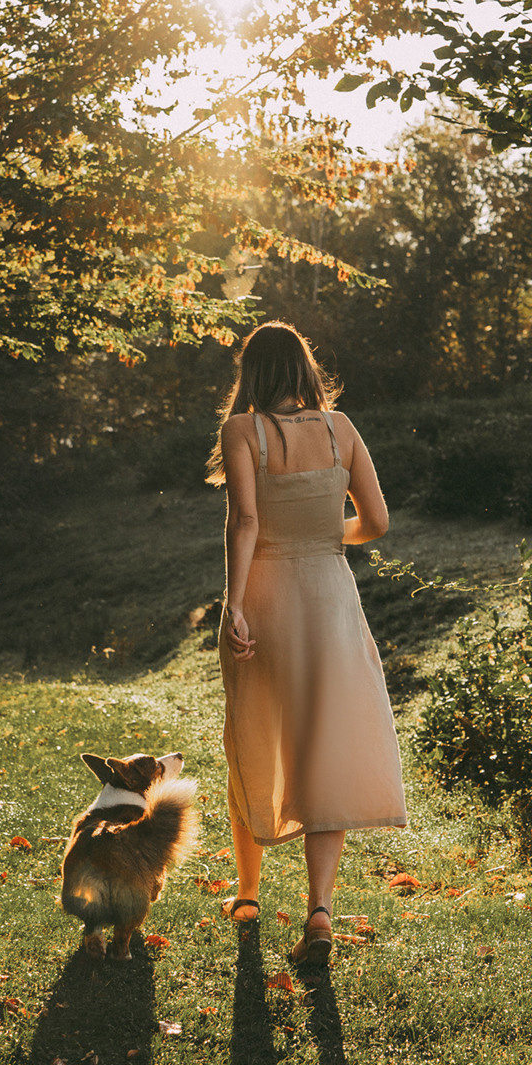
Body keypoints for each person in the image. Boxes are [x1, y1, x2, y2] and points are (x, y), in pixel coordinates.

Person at [208, 322, 406, 967]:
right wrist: (323, 536)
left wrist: (235, 603)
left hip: (265, 595)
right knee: (324, 743)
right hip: (329, 599)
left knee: (254, 731)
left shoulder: (243, 432)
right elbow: (375, 523)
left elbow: (246, 520)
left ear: (251, 374)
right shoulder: (339, 429)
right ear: (305, 370)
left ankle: (247, 893)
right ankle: (320, 910)